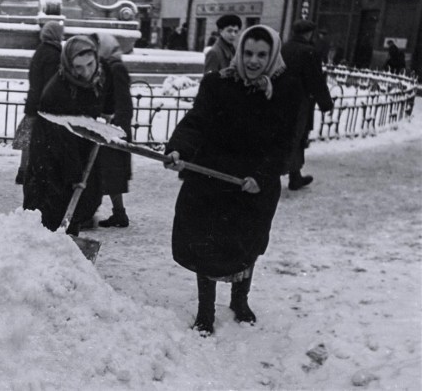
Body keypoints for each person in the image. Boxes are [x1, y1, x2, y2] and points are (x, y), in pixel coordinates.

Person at [165, 25, 300, 336]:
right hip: (212, 177)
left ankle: (240, 300)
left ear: (272, 55)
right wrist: (177, 148)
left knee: (246, 244)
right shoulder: (218, 84)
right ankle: (205, 312)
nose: (253, 61)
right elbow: (196, 121)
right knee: (205, 243)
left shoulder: (286, 90)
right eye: (248, 53)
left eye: (261, 55)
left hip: (253, 185)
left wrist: (262, 177)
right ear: (239, 51)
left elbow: (285, 143)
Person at [23, 35, 103, 236]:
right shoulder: (57, 93)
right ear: (68, 64)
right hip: (52, 166)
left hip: (75, 159)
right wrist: (75, 175)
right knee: (52, 219)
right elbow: (61, 142)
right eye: (78, 67)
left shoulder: (89, 83)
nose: (86, 72)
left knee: (72, 216)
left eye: (90, 64)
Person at [281, 20, 334, 190]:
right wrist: (326, 103)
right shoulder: (309, 52)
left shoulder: (284, 48)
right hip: (300, 103)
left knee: (284, 136)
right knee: (297, 137)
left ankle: (294, 176)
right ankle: (290, 176)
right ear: (309, 33)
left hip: (280, 100)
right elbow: (316, 80)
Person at [13, 21, 64, 186]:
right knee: (40, 140)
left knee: (29, 137)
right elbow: (51, 83)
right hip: (44, 105)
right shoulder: (53, 54)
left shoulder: (41, 50)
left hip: (34, 102)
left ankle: (23, 170)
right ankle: (31, 172)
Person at [91, 32, 133, 228]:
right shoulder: (111, 66)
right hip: (110, 126)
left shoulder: (116, 68)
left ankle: (97, 213)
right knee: (109, 173)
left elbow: (123, 101)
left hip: (114, 128)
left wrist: (119, 128)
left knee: (109, 172)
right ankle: (118, 213)